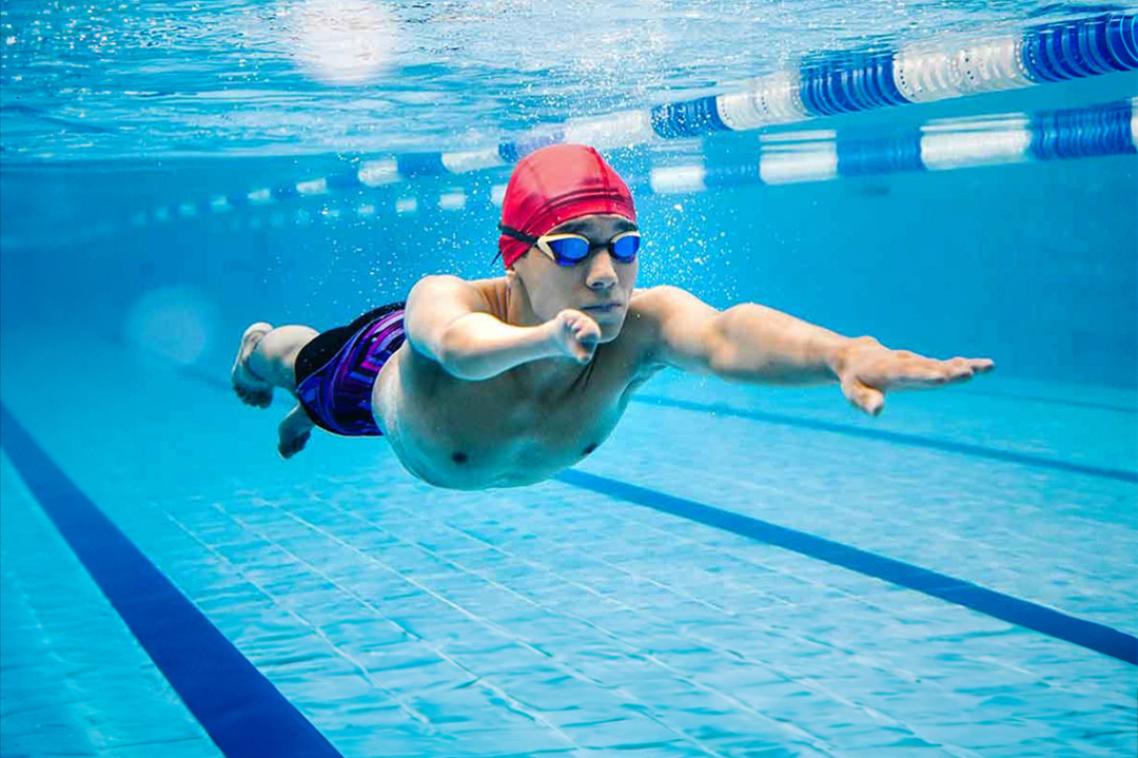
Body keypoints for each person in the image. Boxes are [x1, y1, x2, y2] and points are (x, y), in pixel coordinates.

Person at [231, 143, 994, 490]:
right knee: (292, 366)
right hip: (374, 374)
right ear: (514, 254)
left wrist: (841, 353)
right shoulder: (446, 296)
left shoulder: (637, 327)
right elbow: (457, 348)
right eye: (571, 250)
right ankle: (260, 352)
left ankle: (295, 409)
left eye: (624, 246)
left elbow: (727, 335)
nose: (605, 275)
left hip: (455, 426)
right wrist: (541, 339)